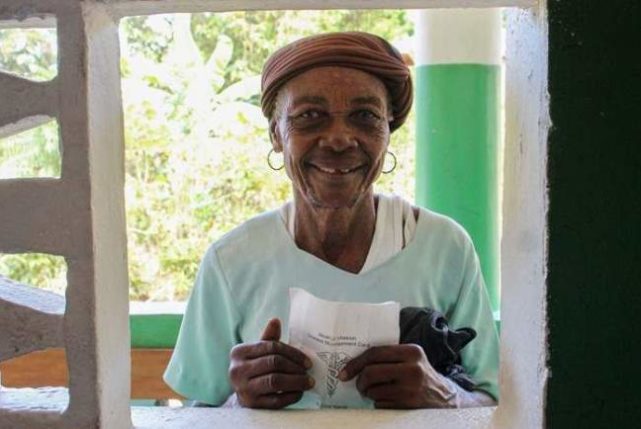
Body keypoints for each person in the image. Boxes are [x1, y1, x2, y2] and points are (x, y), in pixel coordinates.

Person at [163, 32, 499, 409]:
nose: (339, 138)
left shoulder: (442, 247)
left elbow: (496, 401)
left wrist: (442, 393)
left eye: (364, 116)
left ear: (388, 131)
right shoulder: (233, 260)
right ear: (277, 134)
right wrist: (241, 402)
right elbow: (197, 412)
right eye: (309, 116)